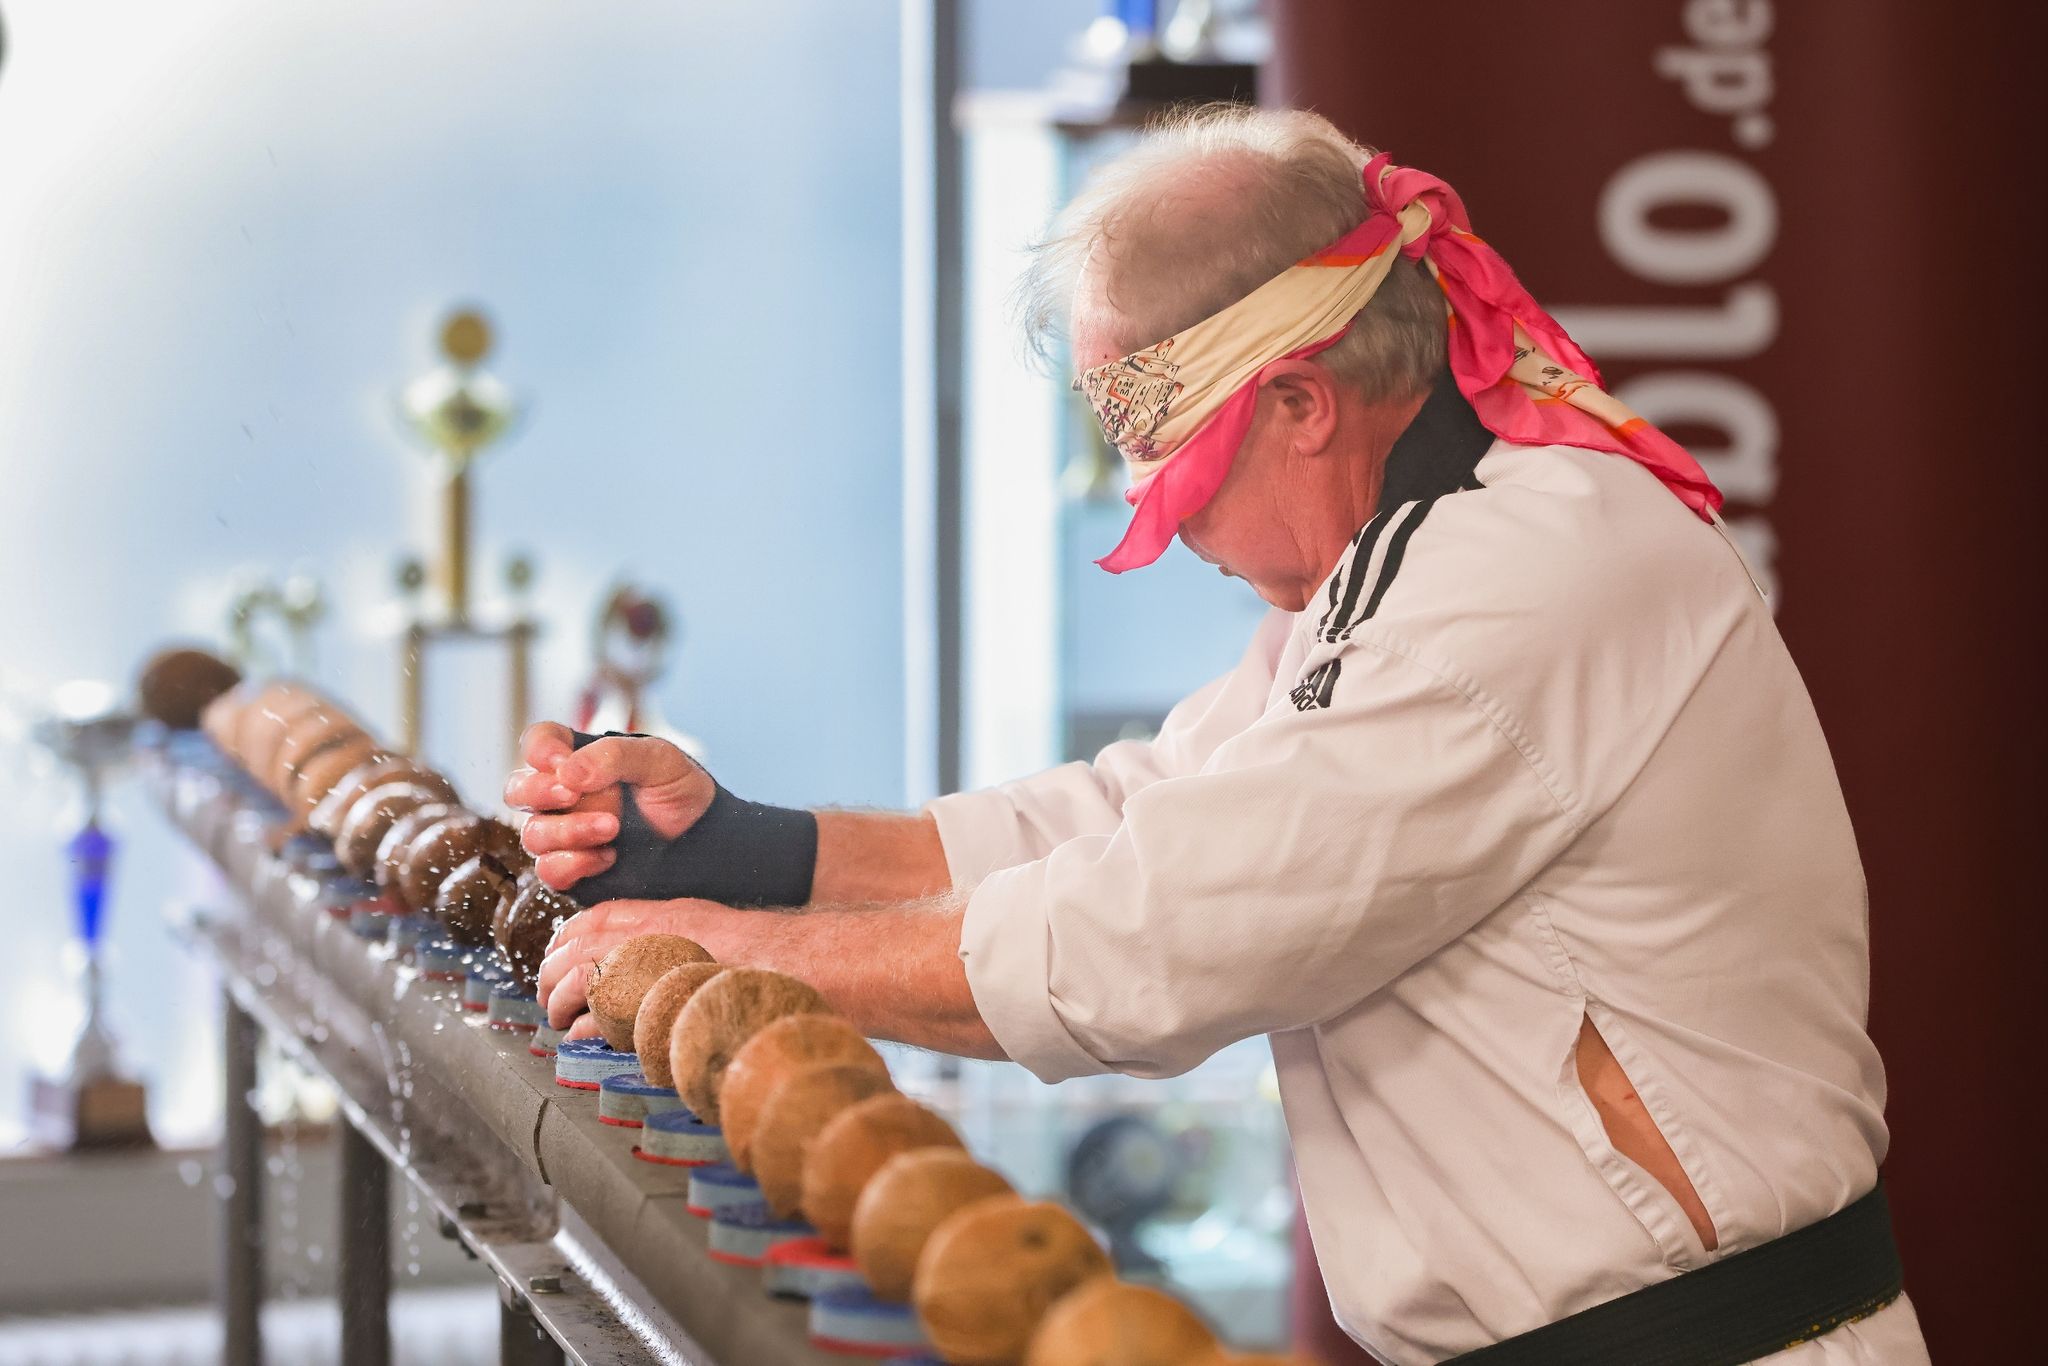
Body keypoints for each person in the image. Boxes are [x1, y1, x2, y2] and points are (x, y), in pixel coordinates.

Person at [508, 108, 1928, 1364]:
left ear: (1304, 403)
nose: (1164, 521)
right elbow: (1146, 811)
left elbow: (1156, 933)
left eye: (1167, 466)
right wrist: (749, 852)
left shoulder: (1521, 581)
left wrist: (721, 953)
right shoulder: (1404, 564)